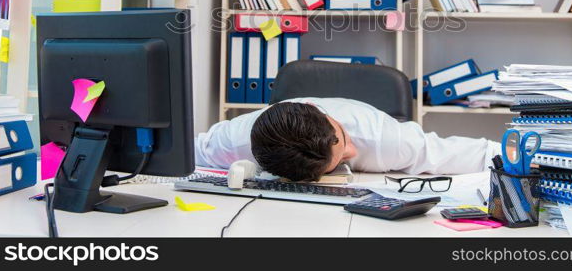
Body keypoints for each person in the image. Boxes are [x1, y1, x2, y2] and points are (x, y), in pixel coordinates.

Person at [195, 97, 501, 181]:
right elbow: (187, 154)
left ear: (319, 110)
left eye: (343, 140)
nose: (351, 151)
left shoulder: (385, 139)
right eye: (339, 160)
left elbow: (473, 153)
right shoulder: (233, 142)